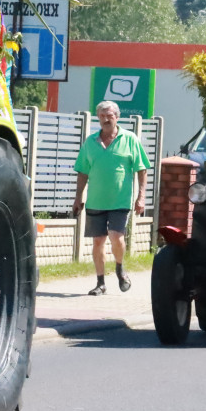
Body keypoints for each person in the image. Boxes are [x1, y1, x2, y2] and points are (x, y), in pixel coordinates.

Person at [72, 101, 151, 296]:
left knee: (116, 236)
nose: (106, 119)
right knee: (98, 241)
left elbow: (142, 169)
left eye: (110, 115)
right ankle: (100, 283)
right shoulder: (90, 142)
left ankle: (119, 267)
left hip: (120, 201)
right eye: (102, 116)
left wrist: (141, 197)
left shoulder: (130, 139)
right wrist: (77, 197)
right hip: (95, 201)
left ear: (117, 117)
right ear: (98, 118)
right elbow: (82, 172)